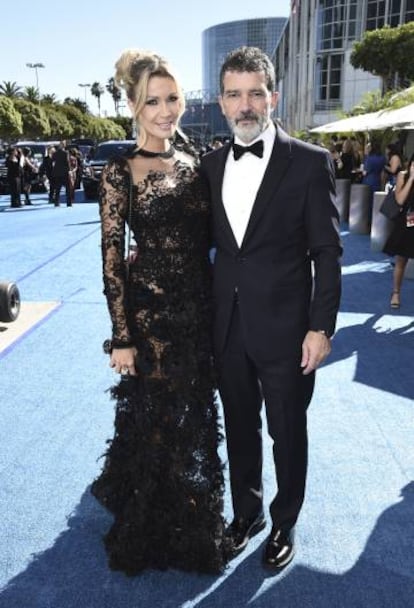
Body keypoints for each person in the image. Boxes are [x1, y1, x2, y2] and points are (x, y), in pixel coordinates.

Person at [200, 46, 342, 571]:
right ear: (220, 102)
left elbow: (328, 252)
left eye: (255, 93)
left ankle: (285, 522)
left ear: (272, 96)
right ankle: (248, 513)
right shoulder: (210, 166)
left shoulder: (309, 162)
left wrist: (320, 327)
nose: (245, 105)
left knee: (287, 430)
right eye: (234, 94)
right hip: (228, 325)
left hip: (287, 330)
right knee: (239, 425)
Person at [91, 48, 228, 575]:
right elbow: (110, 264)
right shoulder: (120, 171)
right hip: (150, 315)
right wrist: (121, 337)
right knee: (158, 417)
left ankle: (185, 504)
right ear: (133, 105)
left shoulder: (197, 159)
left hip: (200, 307)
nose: (167, 110)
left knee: (195, 413)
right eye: (154, 101)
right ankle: (153, 519)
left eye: (173, 99)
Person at [383, 153, 414, 308]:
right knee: (401, 260)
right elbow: (400, 199)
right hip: (407, 222)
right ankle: (396, 293)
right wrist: (412, 178)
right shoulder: (403, 175)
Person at [51, 140, 72, 206]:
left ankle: (56, 202)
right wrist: (69, 170)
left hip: (57, 172)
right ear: (64, 145)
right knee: (68, 188)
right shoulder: (66, 153)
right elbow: (67, 162)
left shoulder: (55, 153)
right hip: (64, 172)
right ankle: (69, 203)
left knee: (57, 188)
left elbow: (53, 161)